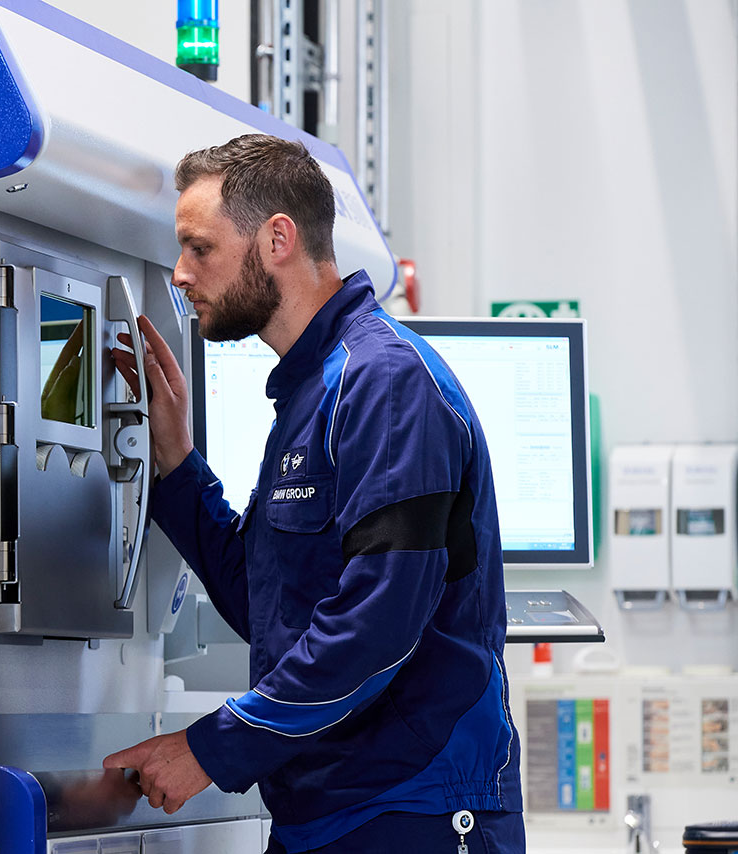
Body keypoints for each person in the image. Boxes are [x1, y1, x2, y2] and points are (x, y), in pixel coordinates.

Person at [102, 134, 525, 853]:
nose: (179, 273)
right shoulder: (310, 394)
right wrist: (176, 465)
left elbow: (376, 626)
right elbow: (269, 602)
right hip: (322, 815)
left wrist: (211, 748)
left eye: (199, 248)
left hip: (412, 809)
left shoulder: (384, 384)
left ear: (277, 239)